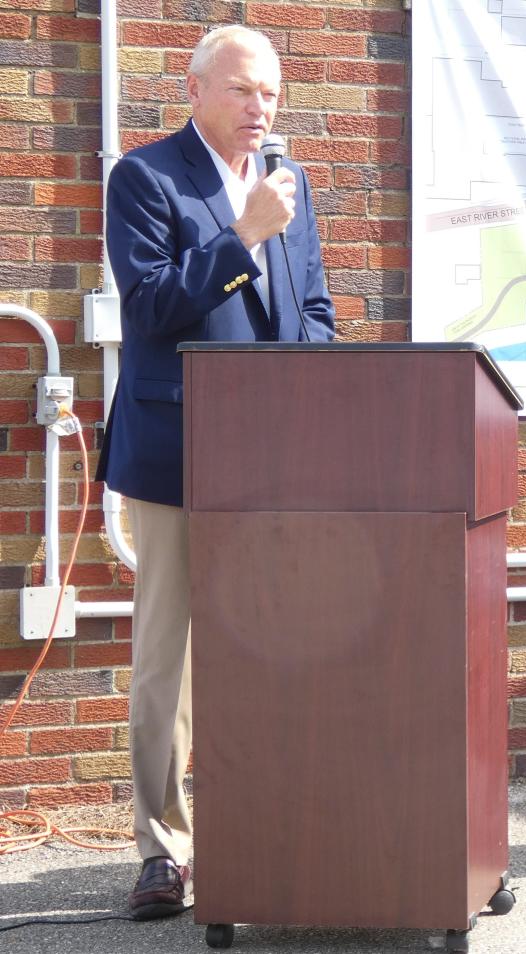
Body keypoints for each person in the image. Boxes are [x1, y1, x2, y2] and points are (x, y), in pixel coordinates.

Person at [96, 24, 334, 918]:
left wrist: (317, 392)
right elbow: (152, 308)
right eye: (242, 91)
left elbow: (312, 304)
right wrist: (241, 235)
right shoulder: (146, 177)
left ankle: (268, 818)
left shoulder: (290, 183)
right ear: (195, 90)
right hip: (178, 452)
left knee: (280, 638)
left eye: (270, 93)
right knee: (172, 655)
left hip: (279, 454)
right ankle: (162, 850)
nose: (260, 108)